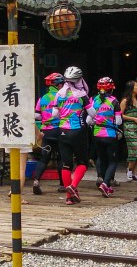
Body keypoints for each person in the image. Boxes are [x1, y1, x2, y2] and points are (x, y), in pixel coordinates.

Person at [52, 66, 90, 205]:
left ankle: (69, 197)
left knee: (66, 165)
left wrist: (65, 111)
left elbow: (54, 114)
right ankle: (73, 187)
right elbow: (92, 113)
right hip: (78, 131)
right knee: (82, 162)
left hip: (62, 131)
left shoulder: (59, 94)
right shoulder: (82, 95)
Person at [86, 76, 119, 198]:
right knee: (113, 161)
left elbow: (88, 120)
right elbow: (119, 121)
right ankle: (105, 184)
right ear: (112, 89)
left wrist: (97, 122)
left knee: (102, 159)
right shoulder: (114, 101)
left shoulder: (93, 100)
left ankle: (105, 183)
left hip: (96, 134)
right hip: (110, 135)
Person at [32, 72, 64, 195]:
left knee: (44, 158)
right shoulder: (62, 96)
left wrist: (46, 117)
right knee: (62, 157)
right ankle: (62, 185)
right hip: (60, 130)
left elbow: (37, 115)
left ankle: (36, 181)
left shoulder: (43, 98)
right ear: (58, 85)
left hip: (46, 132)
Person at [120, 80, 137, 182]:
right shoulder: (125, 101)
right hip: (129, 128)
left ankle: (135, 173)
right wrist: (134, 119)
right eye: (136, 86)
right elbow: (121, 115)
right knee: (134, 150)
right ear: (131, 88)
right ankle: (129, 170)